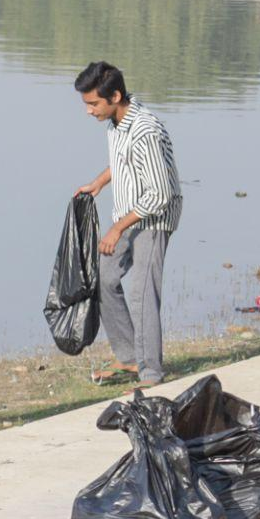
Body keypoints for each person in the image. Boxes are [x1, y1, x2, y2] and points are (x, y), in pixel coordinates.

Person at [72, 60, 181, 388]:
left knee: (141, 292)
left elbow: (160, 194)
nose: (89, 111)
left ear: (115, 96)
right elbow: (123, 160)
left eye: (93, 104)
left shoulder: (145, 129)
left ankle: (150, 374)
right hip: (129, 213)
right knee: (104, 279)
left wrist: (117, 228)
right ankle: (130, 357)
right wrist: (100, 182)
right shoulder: (116, 123)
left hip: (155, 217)